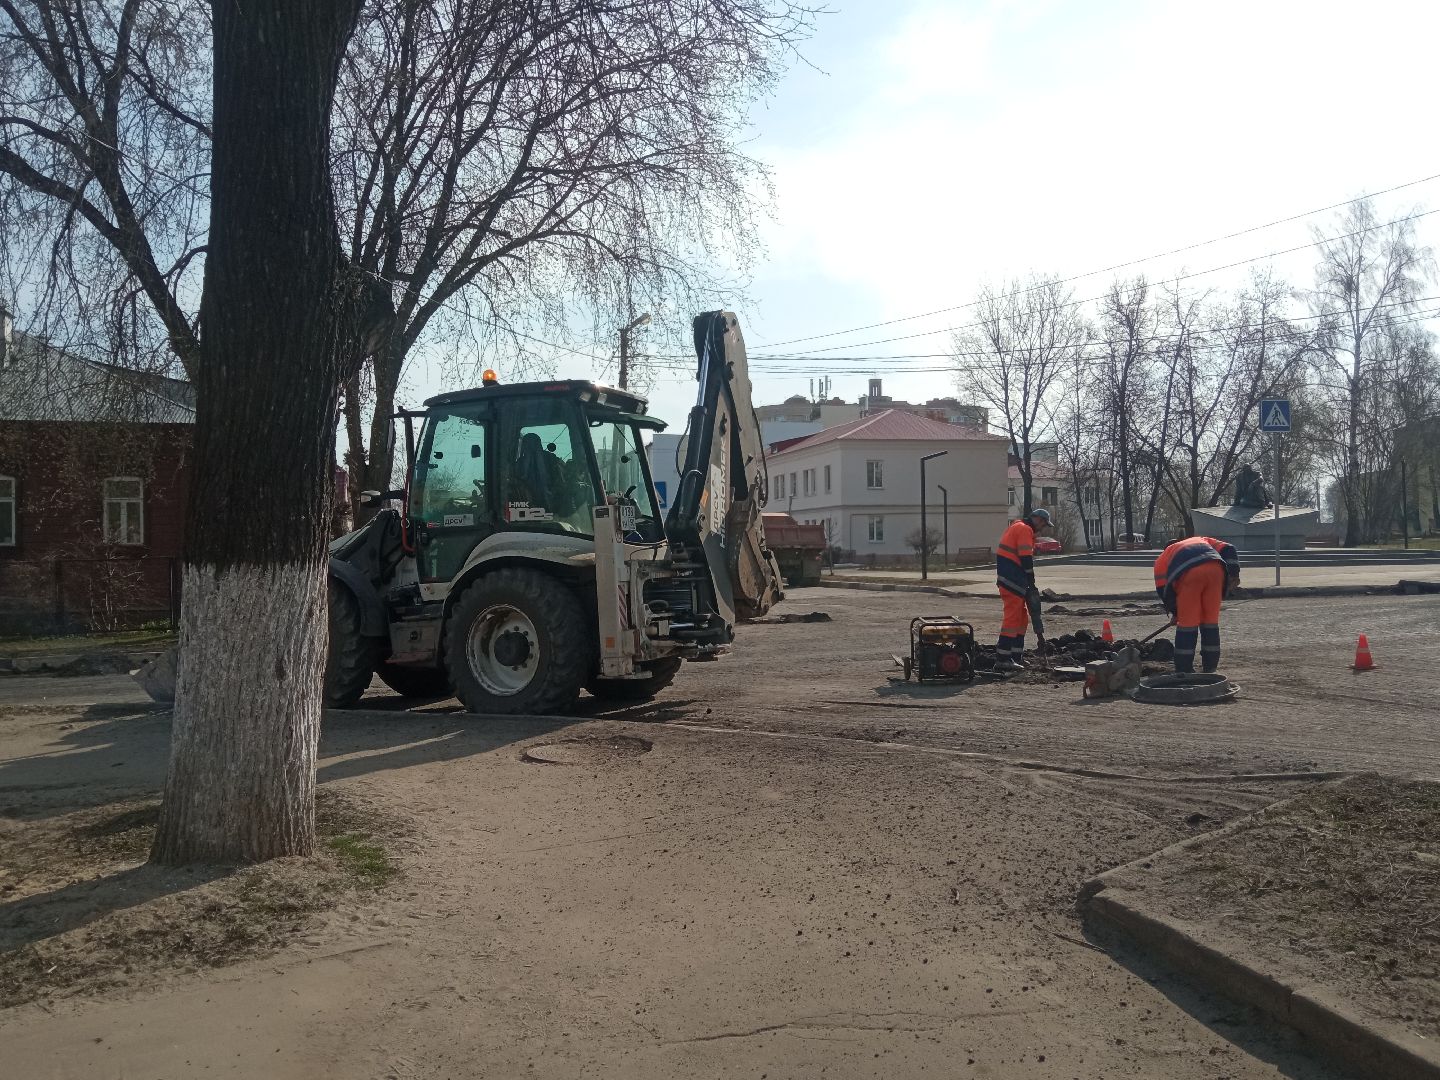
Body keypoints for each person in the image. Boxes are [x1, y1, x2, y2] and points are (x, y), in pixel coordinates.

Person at [1153, 536, 1241, 673]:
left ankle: (1184, 670)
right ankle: (1210, 668)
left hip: (1190, 575)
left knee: (1187, 625)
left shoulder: (1162, 559)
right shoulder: (1200, 540)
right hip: (1216, 570)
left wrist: (1177, 612)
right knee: (1210, 623)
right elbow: (1229, 549)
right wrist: (1234, 574)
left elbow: (1163, 591)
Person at [993, 507, 1052, 671]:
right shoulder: (1024, 529)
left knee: (1021, 618)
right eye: (1043, 524)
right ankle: (1003, 659)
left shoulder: (1018, 526)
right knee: (1012, 618)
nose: (1042, 529)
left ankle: (1015, 656)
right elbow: (1026, 558)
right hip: (1012, 579)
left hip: (1012, 579)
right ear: (1038, 520)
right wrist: (1031, 581)